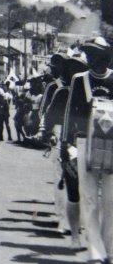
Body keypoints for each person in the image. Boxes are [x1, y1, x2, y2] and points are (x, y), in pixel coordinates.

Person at [63, 37, 113, 264]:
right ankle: (95, 251)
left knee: (111, 200)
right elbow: (69, 114)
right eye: (89, 53)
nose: (92, 58)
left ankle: (110, 248)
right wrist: (67, 143)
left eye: (96, 53)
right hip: (85, 142)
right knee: (90, 198)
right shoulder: (79, 80)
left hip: (111, 144)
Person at [41, 55, 87, 245]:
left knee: (82, 181)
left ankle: (78, 222)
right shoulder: (59, 91)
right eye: (70, 68)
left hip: (84, 138)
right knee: (63, 177)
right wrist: (49, 133)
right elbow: (49, 114)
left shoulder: (86, 90)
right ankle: (63, 220)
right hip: (62, 136)